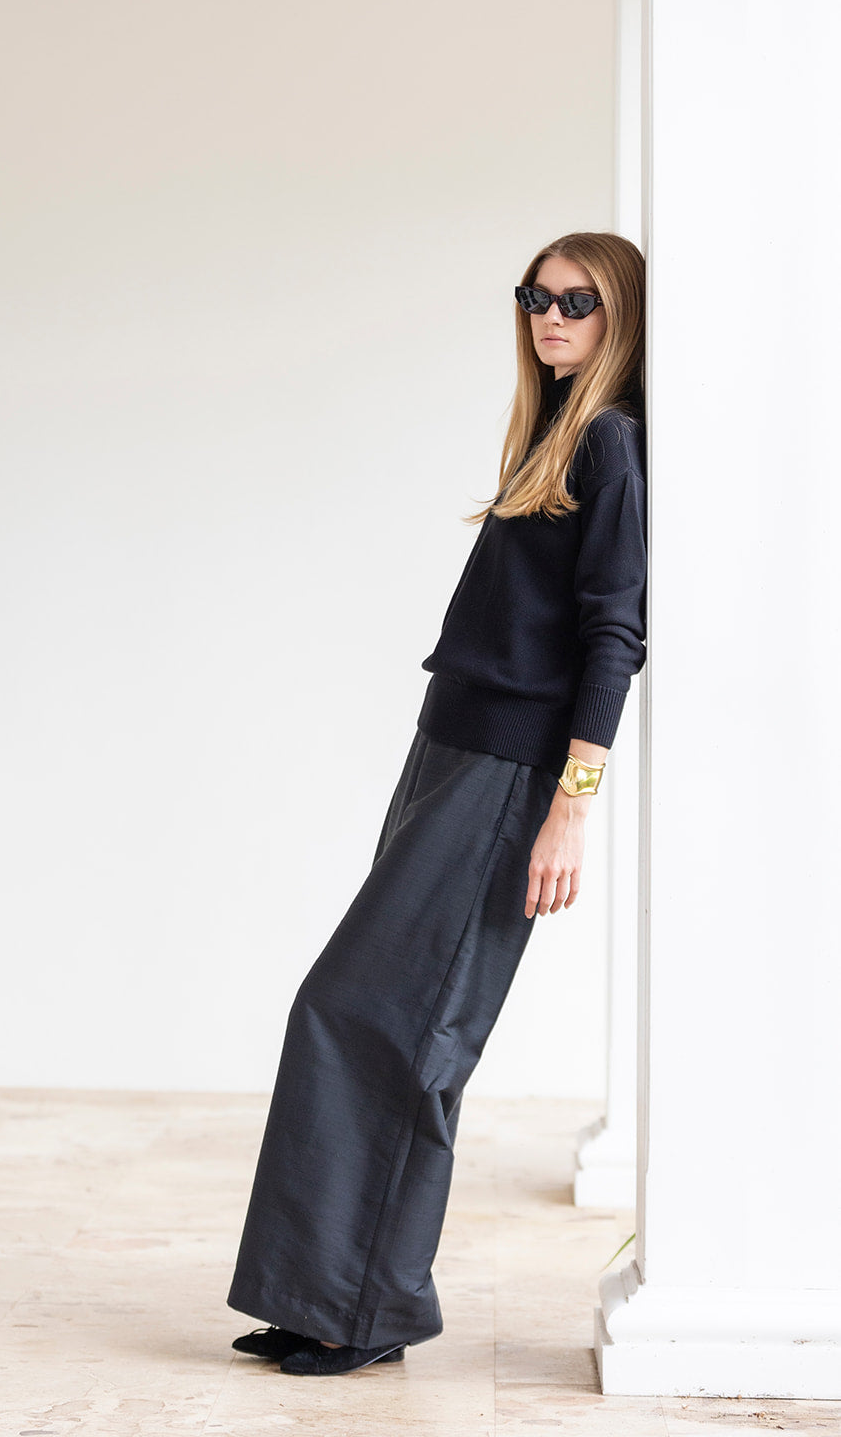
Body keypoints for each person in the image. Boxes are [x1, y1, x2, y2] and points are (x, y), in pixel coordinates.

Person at [226, 231, 647, 1377]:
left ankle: (359, 1307)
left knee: (386, 1021)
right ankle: (325, 1295)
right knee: (365, 1015)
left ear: (618, 316)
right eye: (534, 297)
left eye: (576, 302)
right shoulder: (553, 432)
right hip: (448, 749)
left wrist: (570, 807)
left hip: (507, 773)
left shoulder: (609, 444)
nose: (548, 317)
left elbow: (614, 637)